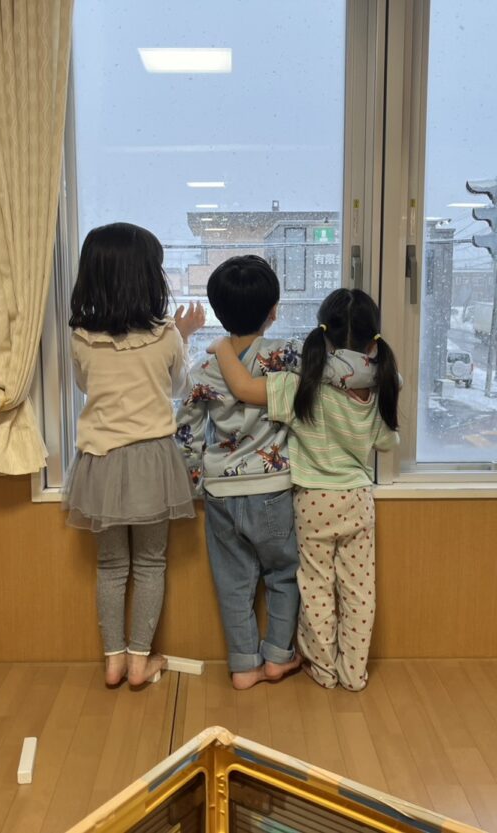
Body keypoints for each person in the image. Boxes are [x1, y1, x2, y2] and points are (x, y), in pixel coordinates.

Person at [211, 288, 399, 691]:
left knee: (315, 588)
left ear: (323, 334)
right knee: (359, 591)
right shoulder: (380, 386)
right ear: (373, 341)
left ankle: (323, 669)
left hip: (312, 501)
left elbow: (243, 389)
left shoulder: (301, 384)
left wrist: (222, 348)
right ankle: (353, 674)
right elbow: (386, 443)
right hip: (357, 499)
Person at [63, 222, 205, 688]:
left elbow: (86, 384)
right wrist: (185, 335)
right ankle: (141, 661)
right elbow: (178, 388)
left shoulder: (81, 338)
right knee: (149, 563)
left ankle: (114, 662)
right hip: (150, 460)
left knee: (110, 566)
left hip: (101, 461)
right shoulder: (165, 335)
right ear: (147, 277)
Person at [175, 255, 304, 690]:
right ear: (274, 311)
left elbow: (187, 433)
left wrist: (197, 482)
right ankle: (278, 657)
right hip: (273, 488)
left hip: (222, 492)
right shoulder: (287, 355)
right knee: (283, 574)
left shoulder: (203, 369)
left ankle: (244, 666)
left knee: (233, 582)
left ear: (217, 312)